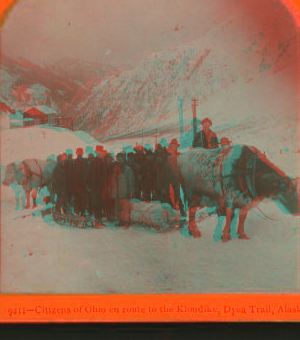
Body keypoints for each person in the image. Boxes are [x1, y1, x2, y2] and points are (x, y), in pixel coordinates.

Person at [167, 139, 186, 217]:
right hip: (170, 177)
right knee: (171, 194)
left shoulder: (179, 155)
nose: (174, 147)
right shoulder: (167, 155)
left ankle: (180, 210)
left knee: (177, 194)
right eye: (172, 146)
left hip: (176, 177)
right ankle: (176, 210)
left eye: (175, 146)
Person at [115, 152, 135, 227]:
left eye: (121, 158)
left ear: (124, 159)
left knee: (126, 208)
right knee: (118, 208)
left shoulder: (128, 169)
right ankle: (120, 221)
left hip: (125, 192)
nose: (119, 160)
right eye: (118, 158)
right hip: (117, 192)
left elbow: (131, 181)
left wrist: (130, 191)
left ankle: (126, 222)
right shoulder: (115, 169)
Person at [103, 152, 118, 222]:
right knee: (107, 201)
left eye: (109, 158)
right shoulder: (104, 166)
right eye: (107, 158)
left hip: (113, 185)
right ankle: (109, 215)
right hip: (106, 186)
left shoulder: (114, 166)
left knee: (113, 201)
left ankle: (113, 215)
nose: (108, 159)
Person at [74, 148, 87, 217]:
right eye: (78, 152)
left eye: (80, 152)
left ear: (82, 153)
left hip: (84, 184)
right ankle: (77, 212)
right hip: (76, 184)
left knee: (83, 199)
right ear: (76, 153)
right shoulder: (74, 162)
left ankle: (83, 212)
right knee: (77, 199)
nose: (79, 154)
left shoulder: (85, 161)